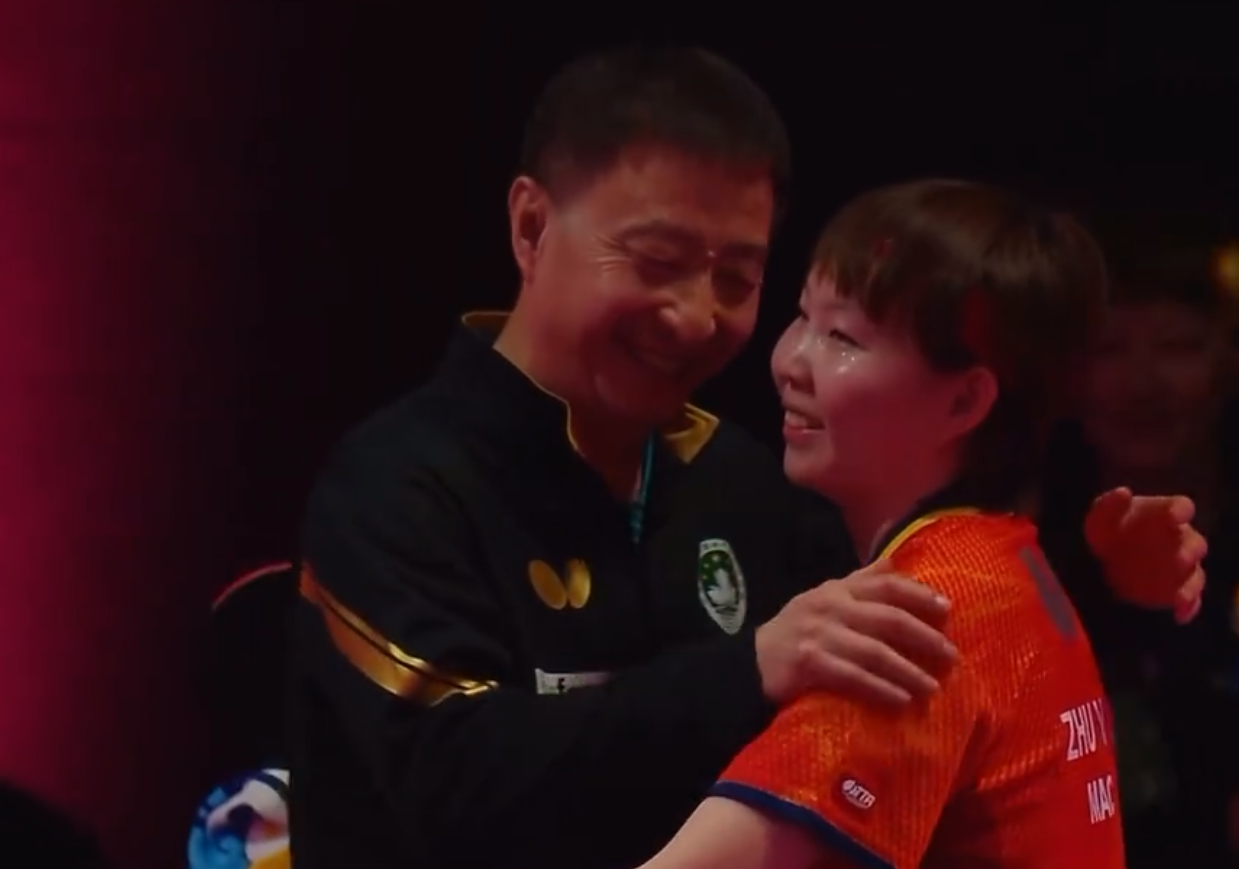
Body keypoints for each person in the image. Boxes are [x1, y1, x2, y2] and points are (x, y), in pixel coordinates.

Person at [287, 45, 1203, 869]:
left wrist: (1105, 580)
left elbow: (967, 634)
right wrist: (749, 667)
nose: (697, 317)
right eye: (656, 261)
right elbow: (443, 777)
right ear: (530, 227)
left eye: (736, 278)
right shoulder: (394, 484)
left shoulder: (742, 479)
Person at [638, 180, 1125, 869]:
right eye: (802, 317)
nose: (789, 363)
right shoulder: (1006, 563)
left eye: (842, 337)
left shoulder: (921, 618)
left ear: (963, 401)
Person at [1038, 234, 1239, 868]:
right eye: (1110, 350)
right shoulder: (1020, 547)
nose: (1143, 384)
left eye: (1179, 347)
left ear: (1228, 363)